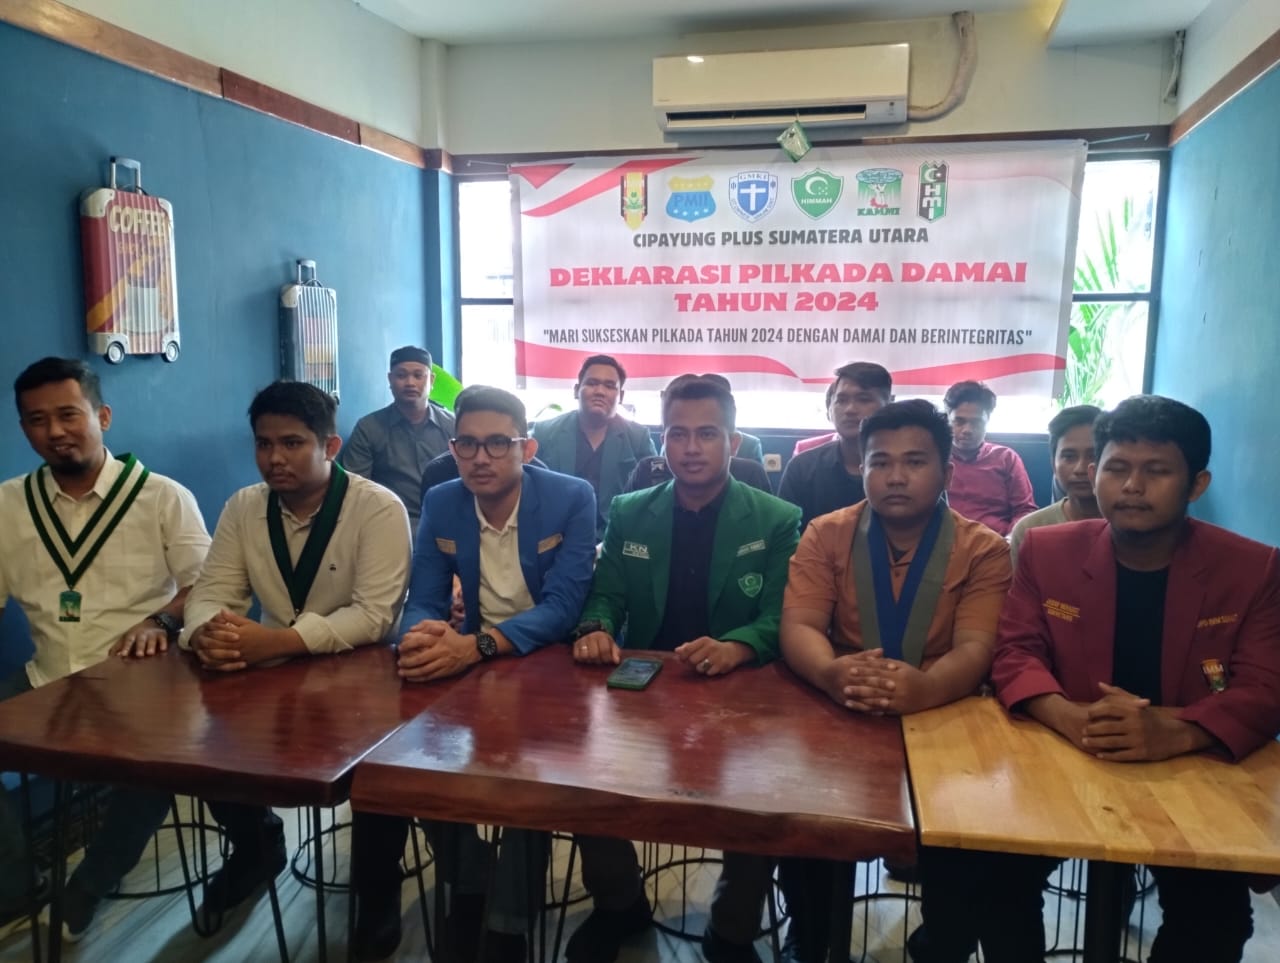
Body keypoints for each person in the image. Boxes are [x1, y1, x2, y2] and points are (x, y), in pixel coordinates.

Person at [915, 395, 1280, 963]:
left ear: (1197, 484)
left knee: (1215, 920)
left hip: (1194, 769)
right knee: (991, 884)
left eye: (1156, 471)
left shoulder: (1253, 567)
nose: (1132, 486)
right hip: (1062, 758)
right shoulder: (1047, 549)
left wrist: (1176, 731)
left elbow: (1264, 688)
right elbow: (1015, 653)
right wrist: (1067, 716)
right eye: (1117, 467)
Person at [566, 376, 801, 963]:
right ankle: (620, 904)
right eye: (677, 434)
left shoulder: (777, 518)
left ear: (734, 442)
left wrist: (739, 646)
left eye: (707, 434)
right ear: (662, 440)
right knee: (583, 781)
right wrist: (596, 627)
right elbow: (606, 594)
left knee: (762, 798)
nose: (691, 448)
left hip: (743, 691)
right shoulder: (630, 511)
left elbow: (784, 616)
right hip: (645, 691)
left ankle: (732, 928)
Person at [181, 380, 412, 960]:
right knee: (204, 739)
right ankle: (255, 845)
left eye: (292, 443)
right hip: (270, 667)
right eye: (263, 444)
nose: (274, 459)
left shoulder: (377, 507)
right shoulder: (243, 506)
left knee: (381, 771)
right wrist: (206, 630)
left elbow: (375, 614)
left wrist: (277, 641)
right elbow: (213, 591)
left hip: (361, 674)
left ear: (330, 446)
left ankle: (377, 887)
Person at [778, 399, 1012, 963]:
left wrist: (925, 690)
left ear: (947, 472)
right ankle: (810, 935)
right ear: (861, 468)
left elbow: (977, 647)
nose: (896, 477)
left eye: (915, 462)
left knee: (960, 848)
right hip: (841, 704)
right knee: (805, 826)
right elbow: (800, 625)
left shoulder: (983, 548)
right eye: (880, 462)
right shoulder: (826, 533)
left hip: (942, 710)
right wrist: (829, 673)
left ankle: (941, 943)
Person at [0, 356, 210, 941]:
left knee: (157, 757)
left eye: (69, 414)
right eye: (37, 420)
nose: (55, 431)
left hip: (141, 683)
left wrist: (160, 619)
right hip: (46, 681)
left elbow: (210, 586)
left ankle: (88, 886)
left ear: (103, 416)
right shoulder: (8, 504)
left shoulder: (161, 496)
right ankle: (17, 888)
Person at [387, 385, 596, 963]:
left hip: (553, 661)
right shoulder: (443, 501)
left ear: (527, 448)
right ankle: (470, 882)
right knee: (418, 760)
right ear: (453, 448)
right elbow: (424, 596)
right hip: (471, 661)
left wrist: (475, 646)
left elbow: (564, 607)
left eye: (498, 444)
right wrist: (419, 636)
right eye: (468, 444)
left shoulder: (571, 497)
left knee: (529, 777)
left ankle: (506, 925)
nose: (481, 457)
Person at [528, 354, 655, 538]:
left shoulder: (638, 438)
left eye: (609, 386)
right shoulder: (544, 433)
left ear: (620, 396)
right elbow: (527, 493)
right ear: (576, 390)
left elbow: (652, 498)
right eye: (592, 383)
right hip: (555, 537)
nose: (600, 391)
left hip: (617, 538)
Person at [339, 345, 455, 532]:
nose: (410, 383)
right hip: (391, 524)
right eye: (401, 375)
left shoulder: (453, 426)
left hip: (448, 521)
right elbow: (356, 489)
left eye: (418, 375)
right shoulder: (369, 428)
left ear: (431, 380)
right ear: (390, 379)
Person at [777, 362, 892, 529]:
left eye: (863, 399)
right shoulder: (802, 468)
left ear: (888, 406)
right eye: (841, 400)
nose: (850, 409)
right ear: (829, 409)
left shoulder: (905, 469)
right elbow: (787, 535)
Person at [1009, 404, 1102, 565]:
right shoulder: (1029, 530)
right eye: (1069, 457)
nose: (1081, 469)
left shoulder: (1130, 525)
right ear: (1053, 464)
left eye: (1093, 456)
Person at [942, 380, 1037, 535]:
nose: (967, 430)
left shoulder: (1006, 458)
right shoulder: (935, 459)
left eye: (976, 423)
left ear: (988, 421)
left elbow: (1025, 510)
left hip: (997, 542)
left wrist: (1010, 540)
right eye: (959, 421)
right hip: (944, 543)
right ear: (948, 420)